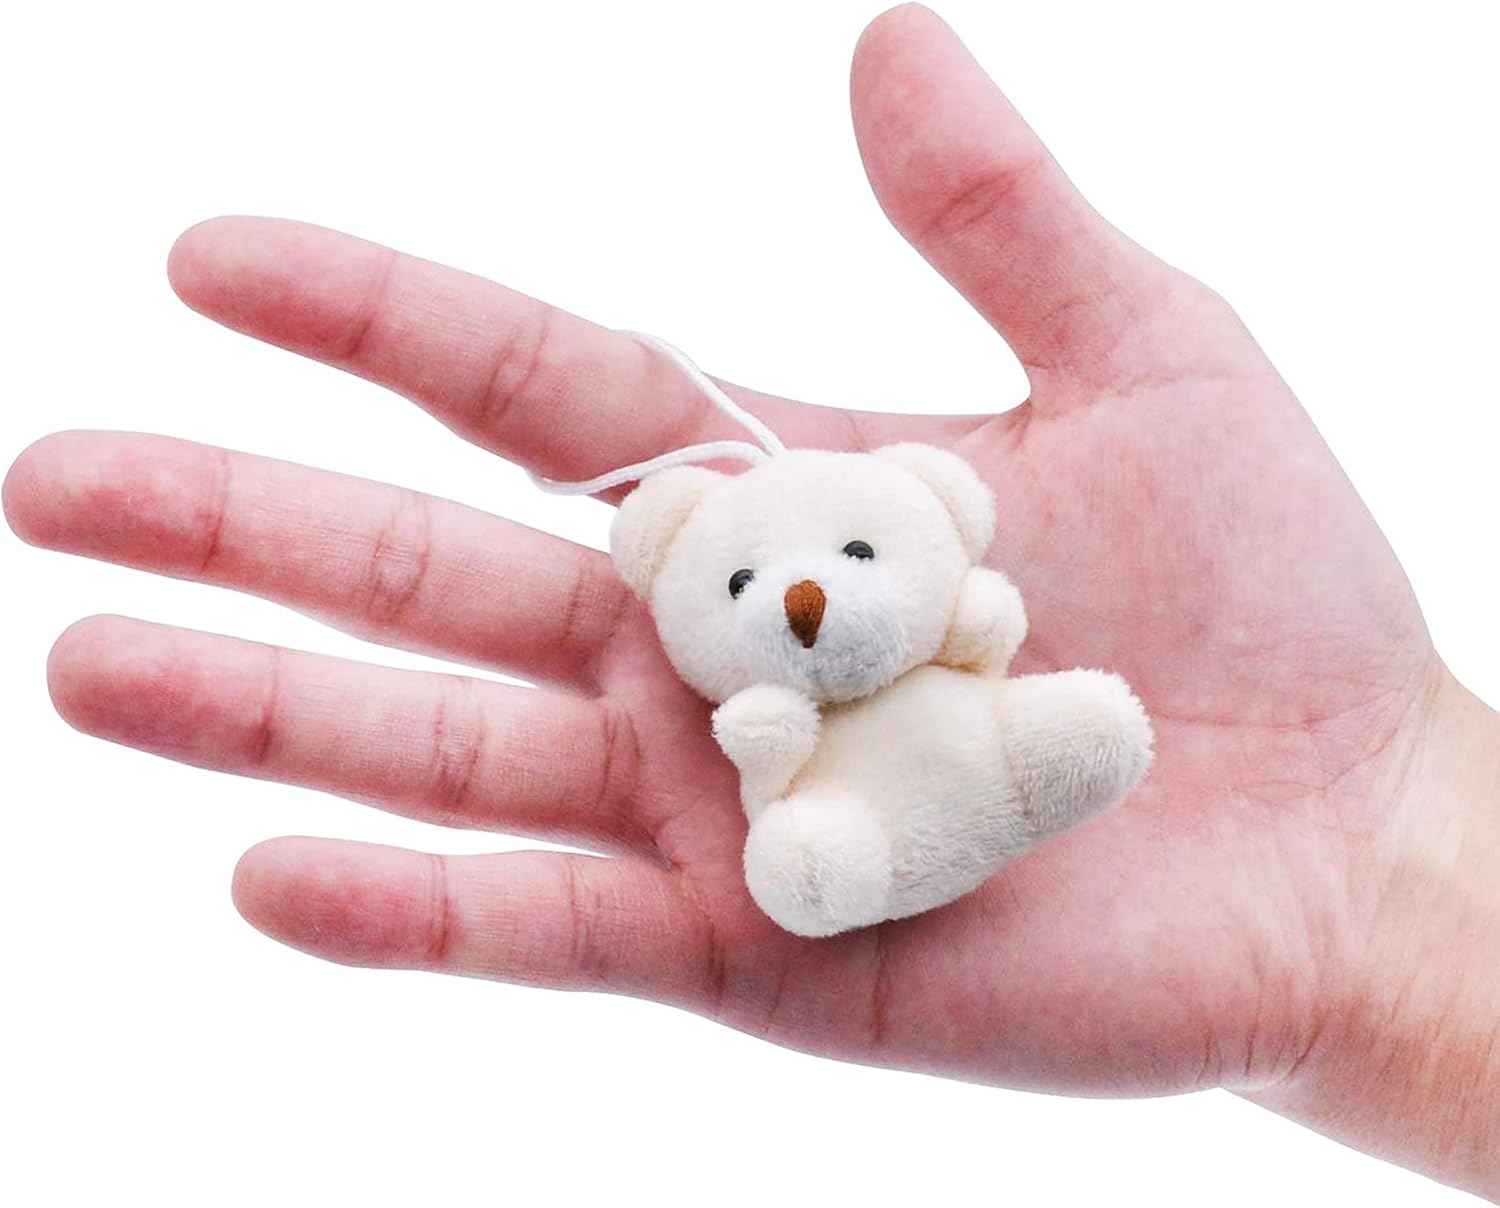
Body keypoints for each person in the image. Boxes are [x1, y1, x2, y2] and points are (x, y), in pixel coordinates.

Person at [4, 4, 1495, 1199]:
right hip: (858, 814)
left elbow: (973, 631)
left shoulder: (958, 625)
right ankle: (845, 862)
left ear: (938, 525)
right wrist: (1373, 933)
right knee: (807, 851)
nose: (806, 600)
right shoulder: (771, 709)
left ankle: (1057, 758)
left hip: (982, 751)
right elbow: (775, 744)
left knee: (1055, 724)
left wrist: (1380, 885)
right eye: (741, 584)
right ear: (678, 580)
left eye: (857, 559)